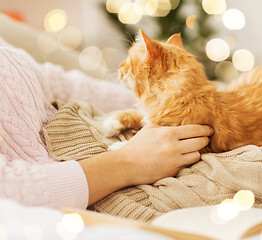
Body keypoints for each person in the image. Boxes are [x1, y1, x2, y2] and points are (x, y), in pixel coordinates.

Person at [0, 37, 213, 208]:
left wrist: (174, 99)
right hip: (92, 179)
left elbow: (52, 80)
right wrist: (129, 163)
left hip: (124, 144)